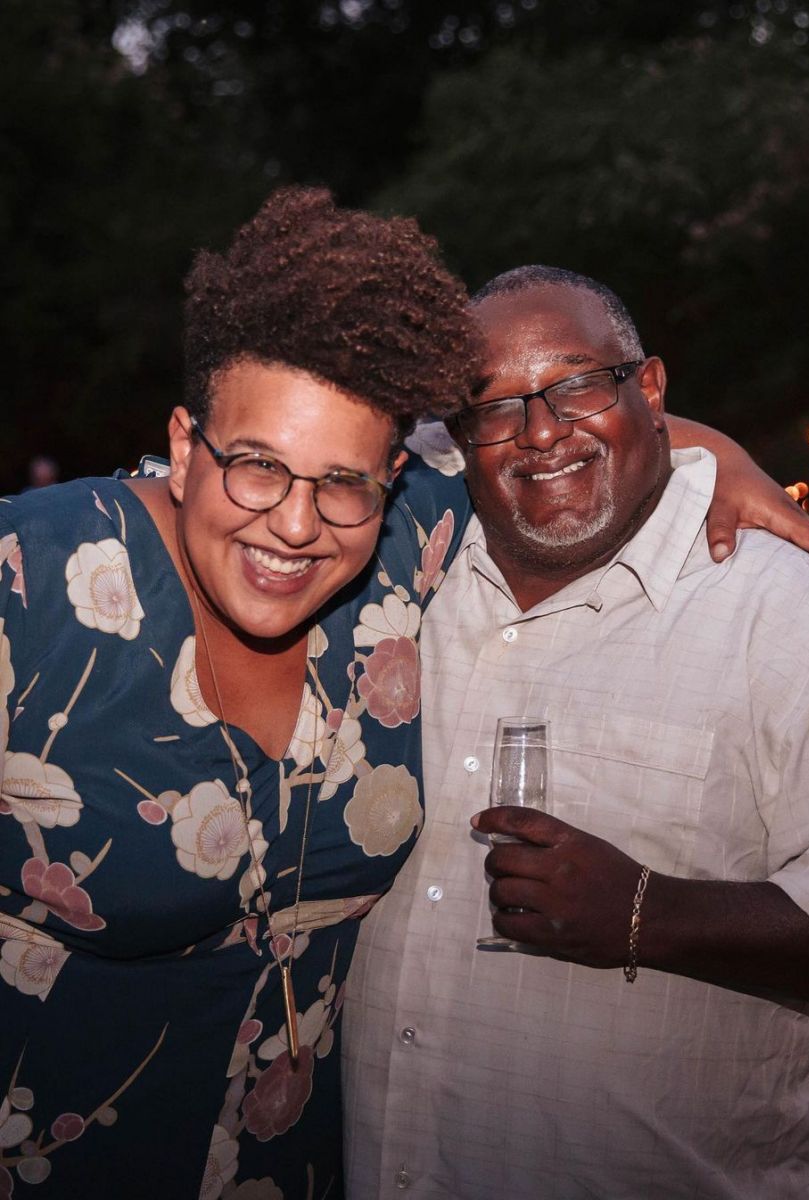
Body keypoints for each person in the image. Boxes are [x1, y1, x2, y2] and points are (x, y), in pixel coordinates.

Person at [342, 266, 809, 1200]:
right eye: (496, 407)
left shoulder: (781, 613)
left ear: (653, 389)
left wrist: (648, 911)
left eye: (577, 384)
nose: (541, 431)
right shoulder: (392, 578)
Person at [0, 186, 479, 1198]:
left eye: (342, 482)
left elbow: (565, 444)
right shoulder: (30, 583)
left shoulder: (398, 558)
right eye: (256, 466)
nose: (297, 526)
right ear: (183, 445)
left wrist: (723, 464)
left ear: (390, 478)